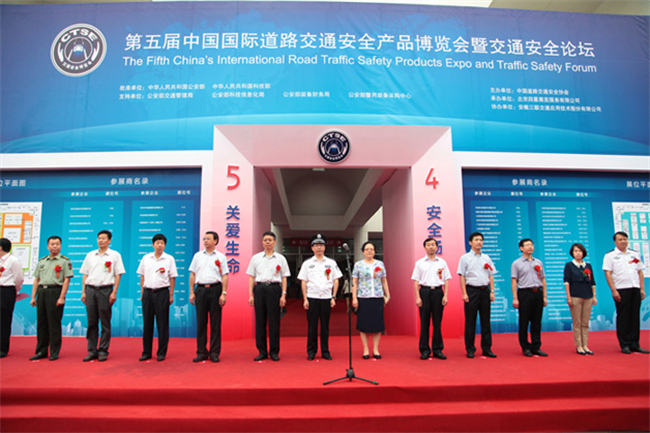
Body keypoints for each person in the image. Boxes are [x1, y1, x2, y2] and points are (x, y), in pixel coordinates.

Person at [80, 230, 125, 362]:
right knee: (91, 322)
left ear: (109, 240)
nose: (100, 240)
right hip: (90, 290)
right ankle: (92, 350)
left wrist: (114, 292)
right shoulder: (90, 255)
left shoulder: (115, 255)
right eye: (99, 238)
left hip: (105, 290)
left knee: (105, 322)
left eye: (103, 238)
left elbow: (118, 275)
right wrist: (83, 292)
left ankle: (103, 350)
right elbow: (85, 274)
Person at [246, 231, 290, 362]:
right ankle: (262, 351)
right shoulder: (256, 258)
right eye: (265, 240)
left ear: (275, 242)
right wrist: (250, 295)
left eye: (270, 240)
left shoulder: (281, 259)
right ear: (262, 242)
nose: (267, 242)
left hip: (274, 289)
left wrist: (283, 294)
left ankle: (274, 351)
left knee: (274, 322)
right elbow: (251, 277)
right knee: (260, 322)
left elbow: (284, 277)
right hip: (259, 289)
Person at [298, 233, 342, 361]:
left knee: (325, 326)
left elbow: (336, 281)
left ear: (324, 247)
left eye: (321, 245)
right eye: (316, 245)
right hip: (312, 297)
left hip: (326, 298)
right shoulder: (307, 263)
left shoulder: (331, 263)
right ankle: (311, 351)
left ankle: (325, 351)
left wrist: (334, 297)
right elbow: (303, 281)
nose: (319, 248)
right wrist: (305, 299)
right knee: (312, 327)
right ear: (312, 248)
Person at [603, 231, 648, 354]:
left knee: (634, 316)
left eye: (625, 239)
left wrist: (642, 288)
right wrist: (614, 290)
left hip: (635, 288)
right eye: (620, 239)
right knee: (623, 317)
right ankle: (624, 344)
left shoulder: (634, 254)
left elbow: (640, 271)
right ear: (615, 242)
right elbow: (607, 273)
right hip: (621, 289)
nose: (623, 241)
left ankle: (635, 344)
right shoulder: (610, 256)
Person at [29, 236, 73, 361]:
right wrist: (33, 296)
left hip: (55, 291)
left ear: (60, 246)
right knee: (41, 323)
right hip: (42, 291)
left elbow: (66, 280)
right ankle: (41, 351)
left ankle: (54, 351)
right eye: (52, 244)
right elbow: (36, 279)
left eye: (57, 244)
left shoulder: (65, 261)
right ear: (48, 246)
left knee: (54, 323)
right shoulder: (42, 261)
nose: (55, 246)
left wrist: (62, 297)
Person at [188, 231, 229, 363]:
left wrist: (223, 293)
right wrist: (192, 292)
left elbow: (224, 275)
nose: (205, 241)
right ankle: (201, 352)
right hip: (200, 290)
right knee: (201, 323)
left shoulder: (221, 257)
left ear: (215, 241)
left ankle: (214, 353)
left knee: (215, 323)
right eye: (204, 239)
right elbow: (192, 274)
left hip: (215, 289)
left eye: (208, 239)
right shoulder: (198, 256)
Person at [136, 233, 177, 362]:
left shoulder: (169, 259)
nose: (160, 245)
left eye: (162, 243)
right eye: (157, 242)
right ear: (153, 244)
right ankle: (146, 352)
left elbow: (172, 277)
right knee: (147, 323)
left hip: (162, 293)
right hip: (148, 292)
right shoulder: (146, 258)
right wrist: (142, 293)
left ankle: (161, 352)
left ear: (165, 245)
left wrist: (171, 295)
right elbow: (142, 276)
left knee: (162, 324)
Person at [457, 232, 497, 359]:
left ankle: (487, 348)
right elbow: (462, 276)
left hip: (485, 291)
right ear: (470, 242)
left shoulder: (487, 257)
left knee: (486, 321)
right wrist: (464, 293)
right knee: (470, 321)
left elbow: (491, 275)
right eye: (476, 240)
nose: (479, 242)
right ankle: (470, 348)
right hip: (472, 291)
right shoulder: (465, 258)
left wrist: (492, 291)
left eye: (481, 240)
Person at [412, 238, 450, 360]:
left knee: (437, 322)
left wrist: (445, 295)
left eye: (433, 245)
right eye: (428, 245)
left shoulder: (442, 262)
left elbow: (446, 280)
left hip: (438, 292)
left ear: (437, 247)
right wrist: (418, 297)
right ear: (424, 247)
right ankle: (424, 350)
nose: (431, 247)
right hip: (424, 292)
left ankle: (437, 349)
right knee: (425, 322)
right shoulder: (420, 263)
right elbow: (416, 281)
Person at [351, 241, 390, 359]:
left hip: (377, 297)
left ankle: (376, 349)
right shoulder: (358, 265)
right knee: (364, 325)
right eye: (367, 249)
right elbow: (354, 282)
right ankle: (366, 349)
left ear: (374, 251)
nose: (369, 251)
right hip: (363, 297)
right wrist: (354, 297)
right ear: (363, 252)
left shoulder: (380, 264)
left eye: (371, 249)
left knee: (377, 325)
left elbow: (384, 281)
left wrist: (387, 295)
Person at [511, 238, 548, 357]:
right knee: (524, 321)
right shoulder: (516, 263)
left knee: (537, 322)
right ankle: (525, 347)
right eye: (527, 245)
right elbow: (514, 281)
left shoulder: (538, 262)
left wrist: (544, 296)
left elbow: (543, 279)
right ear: (521, 248)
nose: (530, 247)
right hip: (524, 293)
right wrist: (515, 298)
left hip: (537, 293)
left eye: (531, 245)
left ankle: (536, 346)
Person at [564, 243, 597, 355]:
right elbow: (567, 282)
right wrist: (569, 297)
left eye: (580, 251)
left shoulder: (588, 265)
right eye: (576, 251)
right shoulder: (569, 265)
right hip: (575, 296)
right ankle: (579, 346)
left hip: (588, 296)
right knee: (577, 322)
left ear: (583, 253)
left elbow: (592, 282)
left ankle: (585, 345)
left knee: (585, 323)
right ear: (572, 253)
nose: (578, 253)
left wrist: (594, 296)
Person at [0, 238, 24, 358]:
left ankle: (3, 348)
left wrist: (14, 290)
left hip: (6, 291)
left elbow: (18, 278)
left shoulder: (13, 260)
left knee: (4, 320)